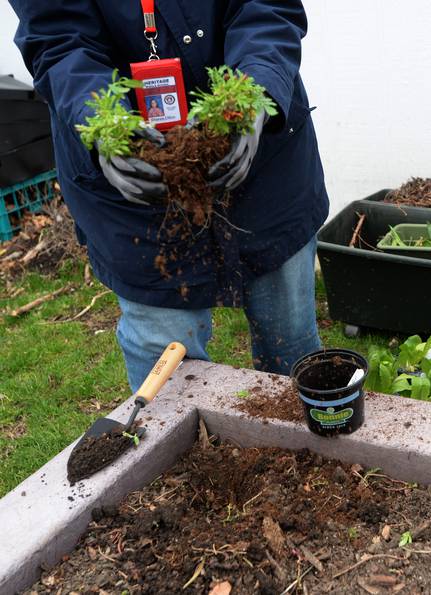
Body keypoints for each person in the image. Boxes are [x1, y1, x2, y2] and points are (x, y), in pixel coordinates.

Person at [11, 1, 329, 390]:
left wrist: (253, 95)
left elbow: (265, 9)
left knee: (290, 345)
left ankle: (301, 444)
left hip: (264, 165)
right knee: (168, 384)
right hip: (136, 193)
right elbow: (59, 40)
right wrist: (104, 125)